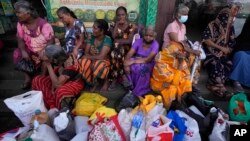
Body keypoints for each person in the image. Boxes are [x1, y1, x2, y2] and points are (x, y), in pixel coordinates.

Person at [13, 0, 54, 89]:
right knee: (17, 53)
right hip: (30, 49)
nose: (17, 15)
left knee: (46, 56)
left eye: (19, 12)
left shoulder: (43, 24)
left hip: (42, 49)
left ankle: (41, 78)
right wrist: (23, 51)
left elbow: (51, 41)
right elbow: (20, 39)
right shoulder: (20, 24)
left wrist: (44, 50)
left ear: (28, 13)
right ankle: (27, 78)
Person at [202, 4, 240, 98]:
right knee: (215, 63)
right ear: (223, 17)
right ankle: (221, 88)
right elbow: (206, 40)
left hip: (222, 54)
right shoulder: (212, 25)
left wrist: (228, 50)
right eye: (229, 17)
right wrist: (220, 48)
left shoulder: (230, 28)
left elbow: (232, 41)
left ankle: (215, 87)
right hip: (210, 52)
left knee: (228, 64)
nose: (231, 20)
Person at [32, 45, 84, 109]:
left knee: (60, 91)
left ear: (53, 59)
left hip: (74, 83)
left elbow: (57, 84)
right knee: (38, 80)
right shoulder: (57, 59)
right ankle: (50, 103)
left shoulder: (70, 64)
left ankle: (55, 108)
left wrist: (48, 64)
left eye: (49, 58)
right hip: (60, 79)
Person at [151, 40, 200, 109]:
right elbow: (174, 82)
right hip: (159, 84)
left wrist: (179, 79)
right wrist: (179, 65)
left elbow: (186, 76)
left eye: (180, 51)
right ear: (169, 54)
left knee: (187, 83)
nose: (180, 54)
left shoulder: (178, 60)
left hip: (171, 82)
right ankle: (168, 108)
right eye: (176, 53)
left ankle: (185, 104)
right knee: (172, 90)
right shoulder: (161, 63)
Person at [124, 27, 159, 96]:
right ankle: (131, 87)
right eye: (146, 35)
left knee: (142, 69)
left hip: (149, 62)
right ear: (143, 35)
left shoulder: (155, 44)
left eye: (150, 36)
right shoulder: (139, 41)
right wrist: (126, 65)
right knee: (131, 66)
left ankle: (139, 90)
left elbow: (148, 60)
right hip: (137, 58)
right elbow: (130, 53)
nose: (148, 37)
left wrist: (133, 62)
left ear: (154, 36)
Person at [79, 19, 112, 92]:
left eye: (95, 28)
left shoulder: (107, 39)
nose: (92, 30)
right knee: (84, 61)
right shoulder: (91, 37)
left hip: (104, 60)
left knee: (99, 64)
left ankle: (105, 81)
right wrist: (91, 59)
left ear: (102, 31)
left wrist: (91, 58)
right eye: (92, 27)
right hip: (92, 58)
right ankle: (93, 82)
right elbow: (86, 53)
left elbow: (102, 57)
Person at [109, 6, 136, 88]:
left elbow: (129, 41)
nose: (121, 17)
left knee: (116, 52)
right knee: (116, 51)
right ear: (116, 16)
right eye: (119, 15)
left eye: (123, 15)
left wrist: (118, 41)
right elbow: (113, 36)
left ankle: (114, 80)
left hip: (126, 49)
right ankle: (123, 75)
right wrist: (117, 24)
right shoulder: (113, 24)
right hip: (116, 49)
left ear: (126, 15)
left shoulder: (131, 26)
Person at [229, 15, 250, 92]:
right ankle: (236, 81)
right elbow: (242, 42)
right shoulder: (247, 30)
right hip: (243, 49)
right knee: (241, 56)